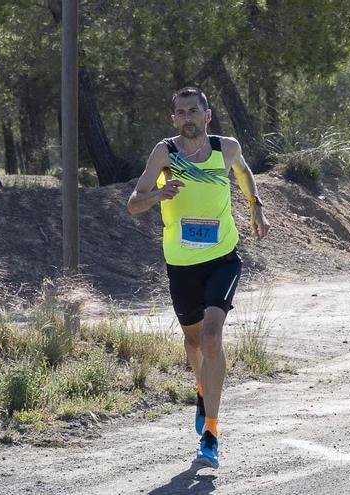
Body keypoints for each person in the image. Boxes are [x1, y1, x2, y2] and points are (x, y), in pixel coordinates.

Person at [127, 86, 270, 469]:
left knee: (210, 337)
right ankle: (202, 389)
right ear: (174, 118)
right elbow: (133, 203)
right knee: (192, 341)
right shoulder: (165, 153)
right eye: (180, 112)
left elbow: (244, 174)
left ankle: (211, 431)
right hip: (181, 263)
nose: (187, 117)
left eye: (194, 110)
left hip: (223, 256)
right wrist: (159, 195)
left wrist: (256, 206)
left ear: (208, 116)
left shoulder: (227, 148)